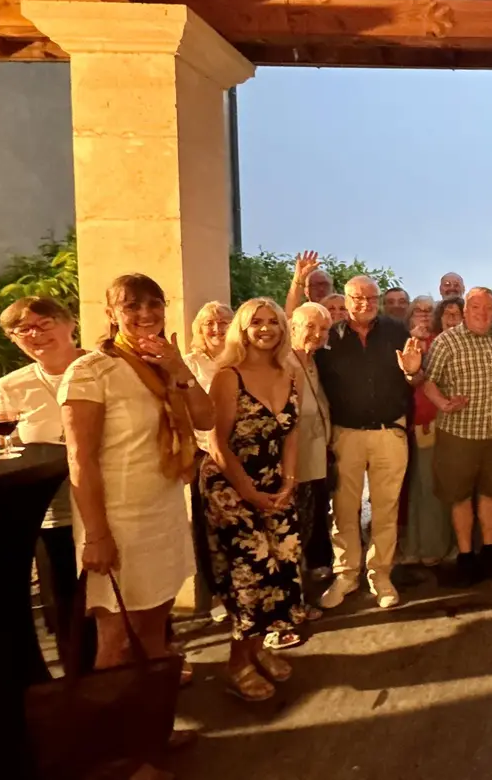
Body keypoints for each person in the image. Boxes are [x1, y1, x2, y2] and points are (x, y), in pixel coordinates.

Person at [60, 274, 214, 694]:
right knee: (117, 640)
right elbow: (81, 459)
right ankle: (116, 753)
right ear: (111, 314)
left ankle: (152, 730)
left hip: (162, 511)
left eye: (154, 304)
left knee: (154, 632)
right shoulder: (91, 370)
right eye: (131, 306)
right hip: (118, 521)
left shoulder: (164, 366)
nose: (146, 314)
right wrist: (96, 535)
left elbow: (205, 419)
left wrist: (180, 369)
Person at [198, 298, 307, 700]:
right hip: (232, 487)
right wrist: (248, 492)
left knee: (281, 567)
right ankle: (236, 664)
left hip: (275, 484)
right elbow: (216, 443)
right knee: (250, 575)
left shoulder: (289, 374)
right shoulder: (228, 376)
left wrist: (289, 481)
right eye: (255, 322)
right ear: (241, 330)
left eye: (273, 322)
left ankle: (258, 651)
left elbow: (291, 433)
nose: (265, 328)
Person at [0, 296, 93, 654]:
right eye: (22, 330)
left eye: (44, 324)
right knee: (67, 598)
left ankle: (142, 664)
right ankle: (79, 682)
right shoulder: (10, 387)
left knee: (124, 588)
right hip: (54, 510)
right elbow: (9, 445)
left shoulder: (103, 367)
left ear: (70, 324)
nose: (35, 334)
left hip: (110, 500)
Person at [315, 276, 424, 610]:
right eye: (358, 298)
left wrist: (411, 372)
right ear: (345, 300)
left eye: (371, 298)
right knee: (345, 510)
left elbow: (415, 378)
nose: (365, 304)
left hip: (388, 434)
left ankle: (380, 575)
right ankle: (346, 574)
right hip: (345, 435)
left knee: (385, 510)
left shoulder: (396, 331)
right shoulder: (329, 337)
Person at [423, 287, 492, 587]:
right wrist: (443, 404)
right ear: (465, 311)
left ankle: (489, 552)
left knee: (490, 494)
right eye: (477, 307)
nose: (483, 313)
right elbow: (428, 382)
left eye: (489, 308)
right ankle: (465, 556)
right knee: (460, 497)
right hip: (458, 434)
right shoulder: (447, 341)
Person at [182, 302, 233, 623]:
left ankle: (242, 591)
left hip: (244, 455)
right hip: (207, 459)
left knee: (242, 530)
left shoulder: (242, 360)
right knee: (210, 531)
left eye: (224, 322)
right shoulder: (188, 365)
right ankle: (217, 594)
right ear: (198, 330)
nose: (216, 329)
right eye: (209, 324)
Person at [400, 299, 455, 567]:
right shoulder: (402, 342)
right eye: (417, 310)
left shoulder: (440, 341)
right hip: (411, 423)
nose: (422, 315)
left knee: (436, 486)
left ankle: (436, 544)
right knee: (419, 487)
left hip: (439, 421)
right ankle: (421, 543)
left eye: (427, 310)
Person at [287, 303, 335, 606]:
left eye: (324, 329)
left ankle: (301, 595)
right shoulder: (283, 362)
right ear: (293, 327)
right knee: (293, 529)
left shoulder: (314, 360)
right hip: (293, 461)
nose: (317, 334)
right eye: (310, 327)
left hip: (316, 457)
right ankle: (293, 601)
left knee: (310, 522)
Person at [284, 250, 332, 320]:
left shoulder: (342, 313)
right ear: (306, 291)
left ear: (333, 289)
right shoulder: (302, 315)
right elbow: (290, 314)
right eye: (315, 285)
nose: (321, 289)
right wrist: (298, 280)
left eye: (325, 285)